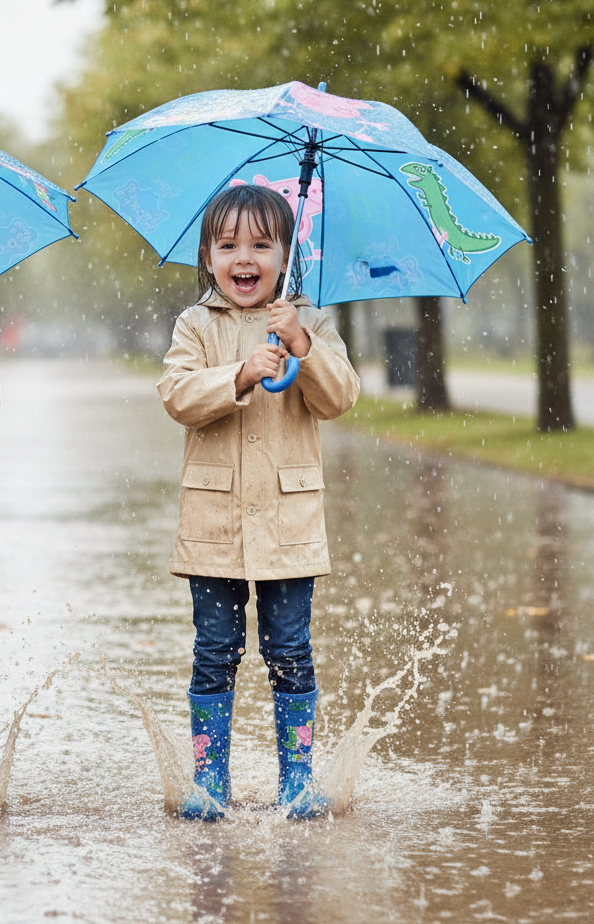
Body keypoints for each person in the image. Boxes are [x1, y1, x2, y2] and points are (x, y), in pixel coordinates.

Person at [156, 183, 359, 821]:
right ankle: (209, 778)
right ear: (209, 256)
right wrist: (240, 374)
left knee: (290, 649)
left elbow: (340, 397)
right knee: (215, 650)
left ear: (285, 253)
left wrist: (303, 345)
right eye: (228, 245)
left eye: (261, 245)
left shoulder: (310, 320)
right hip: (213, 525)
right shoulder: (196, 324)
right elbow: (178, 396)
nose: (245, 258)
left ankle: (296, 778)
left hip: (288, 525)